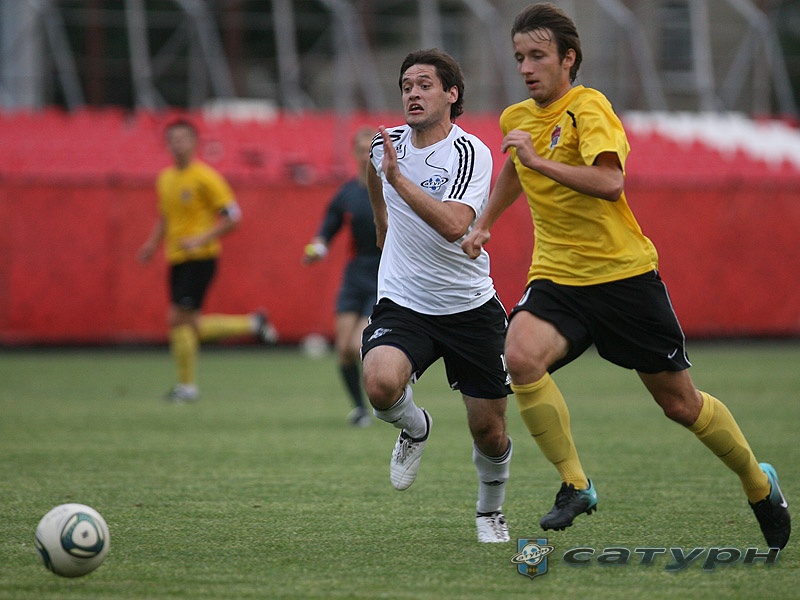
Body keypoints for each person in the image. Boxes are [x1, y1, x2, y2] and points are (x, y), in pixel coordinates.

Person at [461, 2, 790, 549]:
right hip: (558, 277)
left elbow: (610, 182)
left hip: (623, 277)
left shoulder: (589, 107)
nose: (526, 67)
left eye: (538, 55)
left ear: (569, 59)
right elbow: (515, 169)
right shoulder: (516, 118)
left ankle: (759, 483)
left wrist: (539, 161)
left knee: (680, 404)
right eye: (519, 57)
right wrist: (485, 222)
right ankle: (576, 484)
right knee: (519, 356)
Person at [361, 48, 513, 543]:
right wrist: (381, 222)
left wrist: (398, 181)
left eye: (425, 84)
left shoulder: (470, 153)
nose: (413, 93)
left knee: (489, 431)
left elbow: (453, 225)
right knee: (380, 384)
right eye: (406, 85)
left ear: (451, 94)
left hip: (469, 307)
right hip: (404, 301)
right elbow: (373, 171)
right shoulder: (384, 146)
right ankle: (416, 427)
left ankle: (490, 511)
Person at [137, 118, 278, 403]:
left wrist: (200, 239)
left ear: (194, 143)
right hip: (177, 258)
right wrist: (152, 244)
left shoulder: (206, 177)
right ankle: (252, 325)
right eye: (172, 140)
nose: (177, 145)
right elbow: (166, 216)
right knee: (187, 325)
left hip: (200, 258)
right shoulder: (165, 178)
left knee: (178, 321)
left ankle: (187, 386)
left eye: (182, 139)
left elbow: (233, 217)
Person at [303, 127, 380, 428]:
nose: (366, 156)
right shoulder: (347, 193)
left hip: (384, 274)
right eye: (361, 150)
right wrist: (318, 248)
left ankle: (391, 394)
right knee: (343, 351)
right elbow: (327, 229)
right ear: (353, 153)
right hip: (355, 275)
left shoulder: (392, 188)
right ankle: (360, 409)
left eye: (371, 150)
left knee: (357, 345)